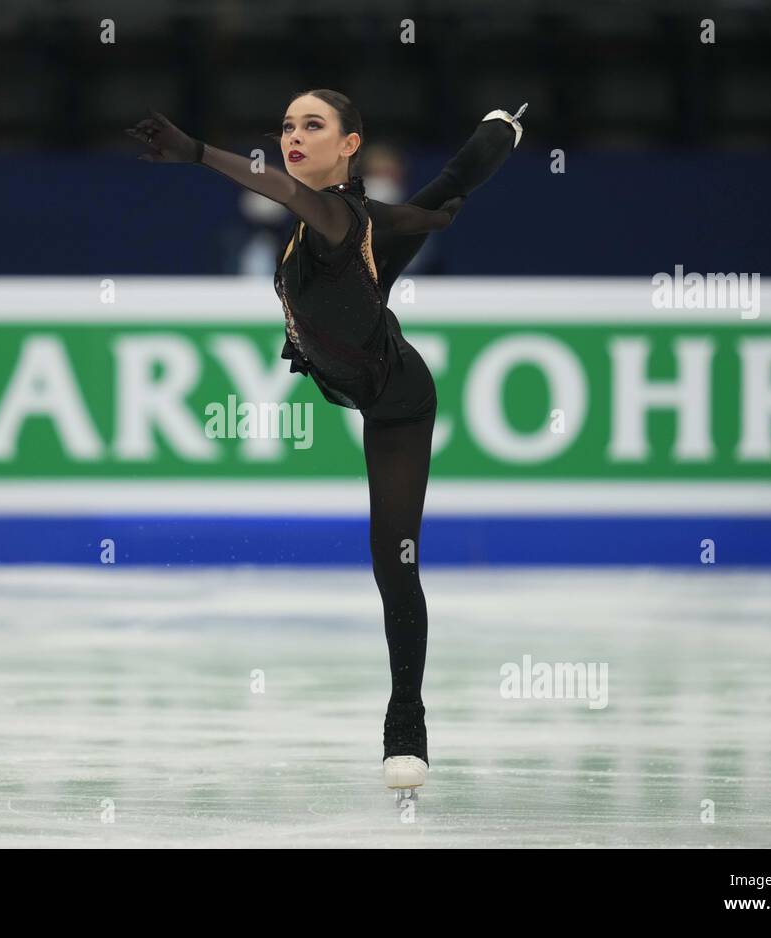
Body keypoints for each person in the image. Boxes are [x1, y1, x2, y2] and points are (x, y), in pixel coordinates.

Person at [126, 89, 524, 799]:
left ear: (349, 146)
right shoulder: (358, 230)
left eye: (313, 125)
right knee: (445, 194)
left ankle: (407, 723)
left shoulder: (336, 214)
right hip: (356, 376)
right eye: (285, 125)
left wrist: (193, 153)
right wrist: (501, 130)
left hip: (398, 401)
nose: (293, 137)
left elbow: (273, 185)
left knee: (393, 560)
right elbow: (453, 185)